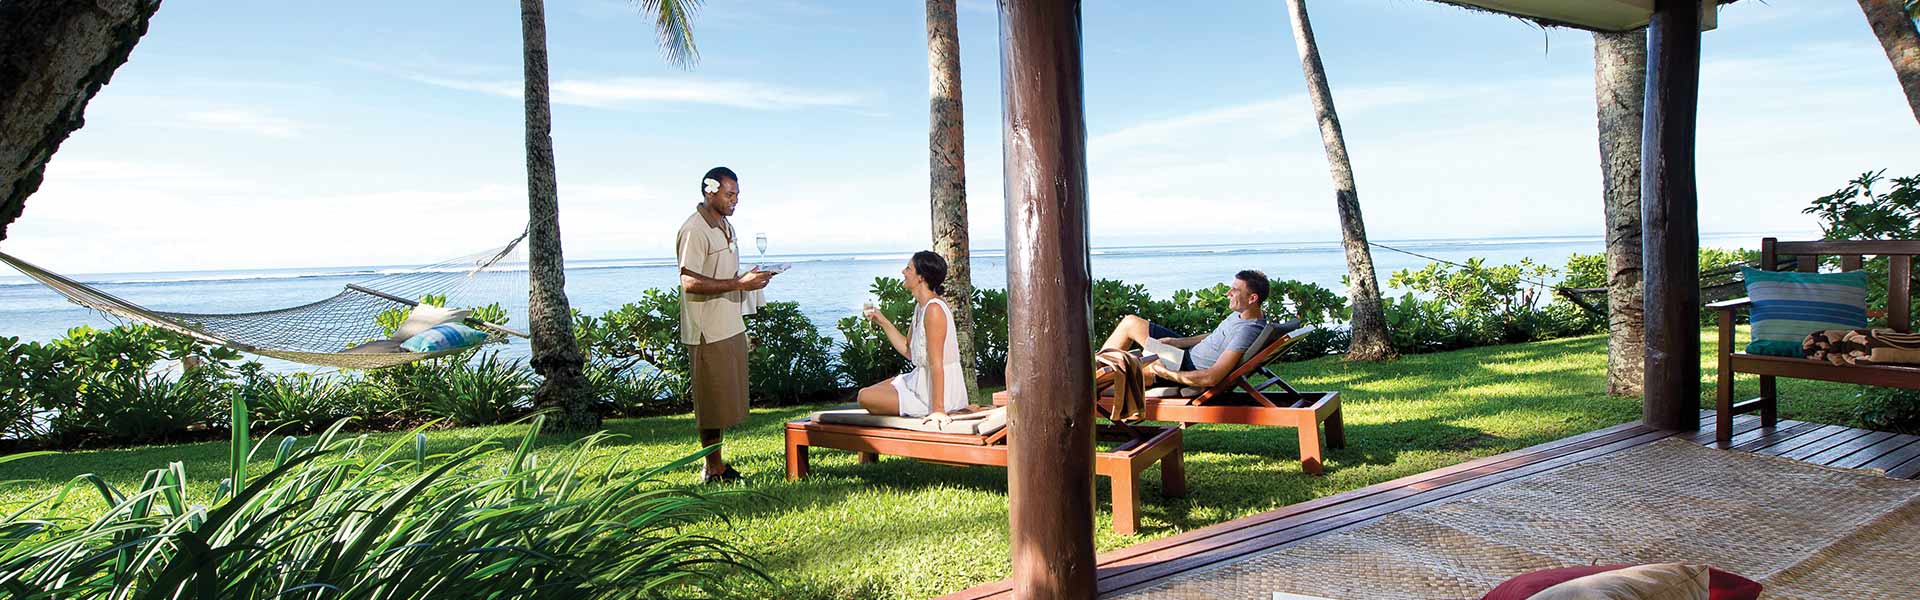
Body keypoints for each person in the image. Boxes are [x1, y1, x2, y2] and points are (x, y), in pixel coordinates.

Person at [677, 166, 776, 484]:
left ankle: (716, 464)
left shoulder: (726, 226)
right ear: (710, 191)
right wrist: (738, 283)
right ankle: (712, 468)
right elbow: (689, 281)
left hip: (729, 323)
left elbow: (727, 276)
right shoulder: (695, 229)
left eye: (737, 194)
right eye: (729, 194)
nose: (735, 200)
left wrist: (749, 280)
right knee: (710, 401)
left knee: (722, 400)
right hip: (707, 328)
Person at [1100, 269, 1271, 389]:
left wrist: (1165, 373)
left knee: (1116, 369)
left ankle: (1086, 380)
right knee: (1130, 322)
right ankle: (1093, 367)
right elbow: (1216, 336)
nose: (1228, 293)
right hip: (1185, 354)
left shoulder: (1247, 331)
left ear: (1252, 298)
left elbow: (1212, 377)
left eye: (1234, 290)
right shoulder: (1242, 314)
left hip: (1185, 369)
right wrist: (1176, 342)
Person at [857, 251, 971, 423]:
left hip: (936, 392)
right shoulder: (921, 307)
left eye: (908, 268)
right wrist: (882, 321)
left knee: (865, 396)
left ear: (921, 277)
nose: (903, 272)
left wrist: (938, 410)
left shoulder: (934, 309)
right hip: (919, 379)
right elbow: (908, 350)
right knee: (866, 392)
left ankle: (952, 408)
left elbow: (936, 363)